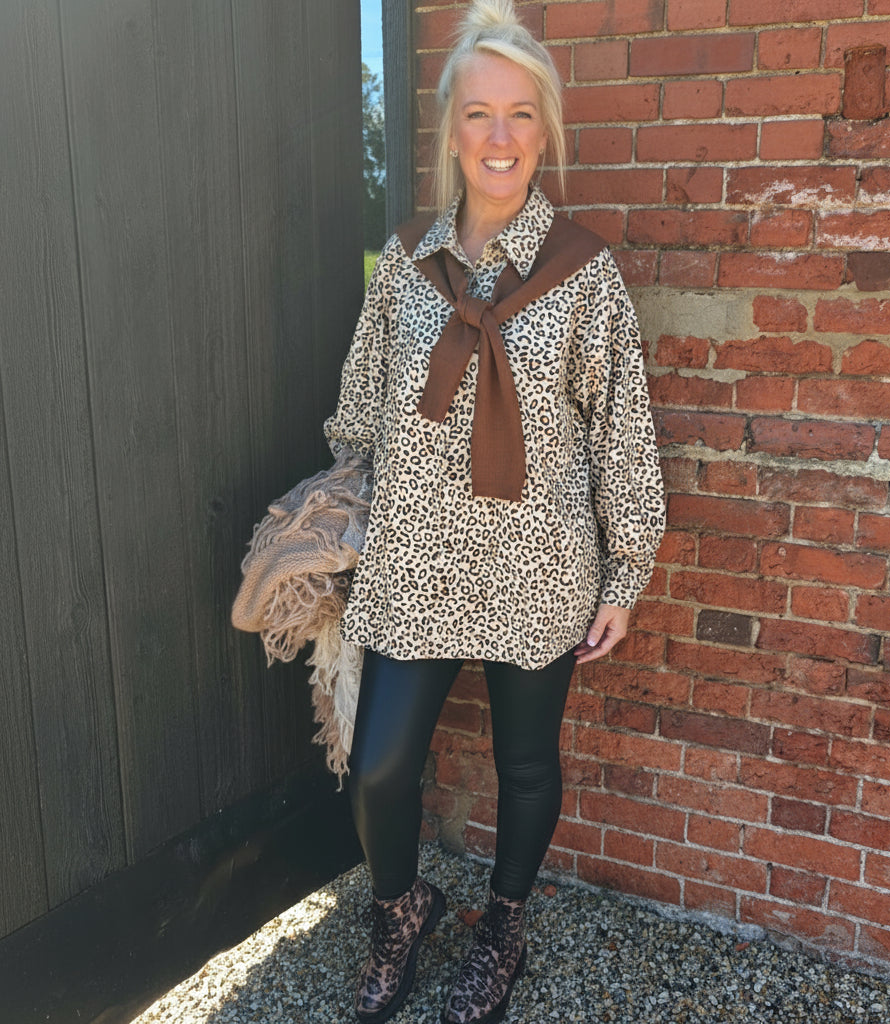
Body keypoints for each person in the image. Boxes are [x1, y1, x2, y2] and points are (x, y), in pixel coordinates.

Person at [323, 1, 665, 1020]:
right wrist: (341, 514)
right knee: (378, 766)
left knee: (526, 765)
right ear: (449, 130)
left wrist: (625, 571)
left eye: (521, 113)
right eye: (480, 113)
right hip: (415, 562)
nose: (501, 136)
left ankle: (502, 924)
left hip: (539, 564)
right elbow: (359, 406)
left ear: (545, 129)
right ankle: (401, 904)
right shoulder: (404, 268)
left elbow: (623, 434)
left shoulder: (582, 272)